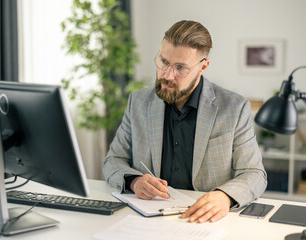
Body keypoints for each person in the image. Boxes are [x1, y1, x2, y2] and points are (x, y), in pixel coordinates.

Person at [103, 20, 267, 223]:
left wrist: (225, 197)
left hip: (205, 221)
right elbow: (113, 160)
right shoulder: (137, 102)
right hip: (147, 219)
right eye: (163, 62)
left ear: (203, 66)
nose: (167, 75)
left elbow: (254, 173)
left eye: (180, 67)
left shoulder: (234, 108)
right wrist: (134, 181)